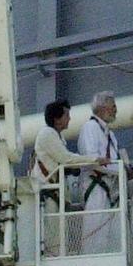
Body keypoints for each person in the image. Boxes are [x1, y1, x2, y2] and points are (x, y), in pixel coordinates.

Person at [31, 99, 97, 256]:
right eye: (66, 115)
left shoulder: (55, 136)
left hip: (55, 193)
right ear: (57, 118)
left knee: (58, 235)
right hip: (49, 194)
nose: (69, 119)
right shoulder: (47, 134)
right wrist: (93, 159)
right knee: (53, 236)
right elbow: (65, 158)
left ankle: (57, 255)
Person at [77, 92, 133, 253]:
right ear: (103, 108)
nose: (116, 110)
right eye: (113, 106)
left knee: (110, 232)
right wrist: (116, 168)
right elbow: (91, 158)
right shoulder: (90, 128)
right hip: (96, 185)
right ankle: (91, 261)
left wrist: (124, 170)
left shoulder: (110, 134)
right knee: (95, 228)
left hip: (111, 187)